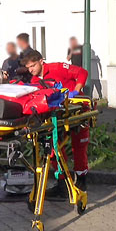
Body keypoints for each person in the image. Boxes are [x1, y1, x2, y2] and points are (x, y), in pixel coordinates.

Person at [20, 50, 90, 194]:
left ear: (41, 61)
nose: (31, 70)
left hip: (77, 109)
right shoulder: (34, 82)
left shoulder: (58, 68)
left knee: (79, 146)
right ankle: (62, 182)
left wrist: (76, 91)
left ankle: (81, 180)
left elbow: (82, 73)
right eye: (28, 68)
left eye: (33, 66)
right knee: (52, 147)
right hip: (57, 114)